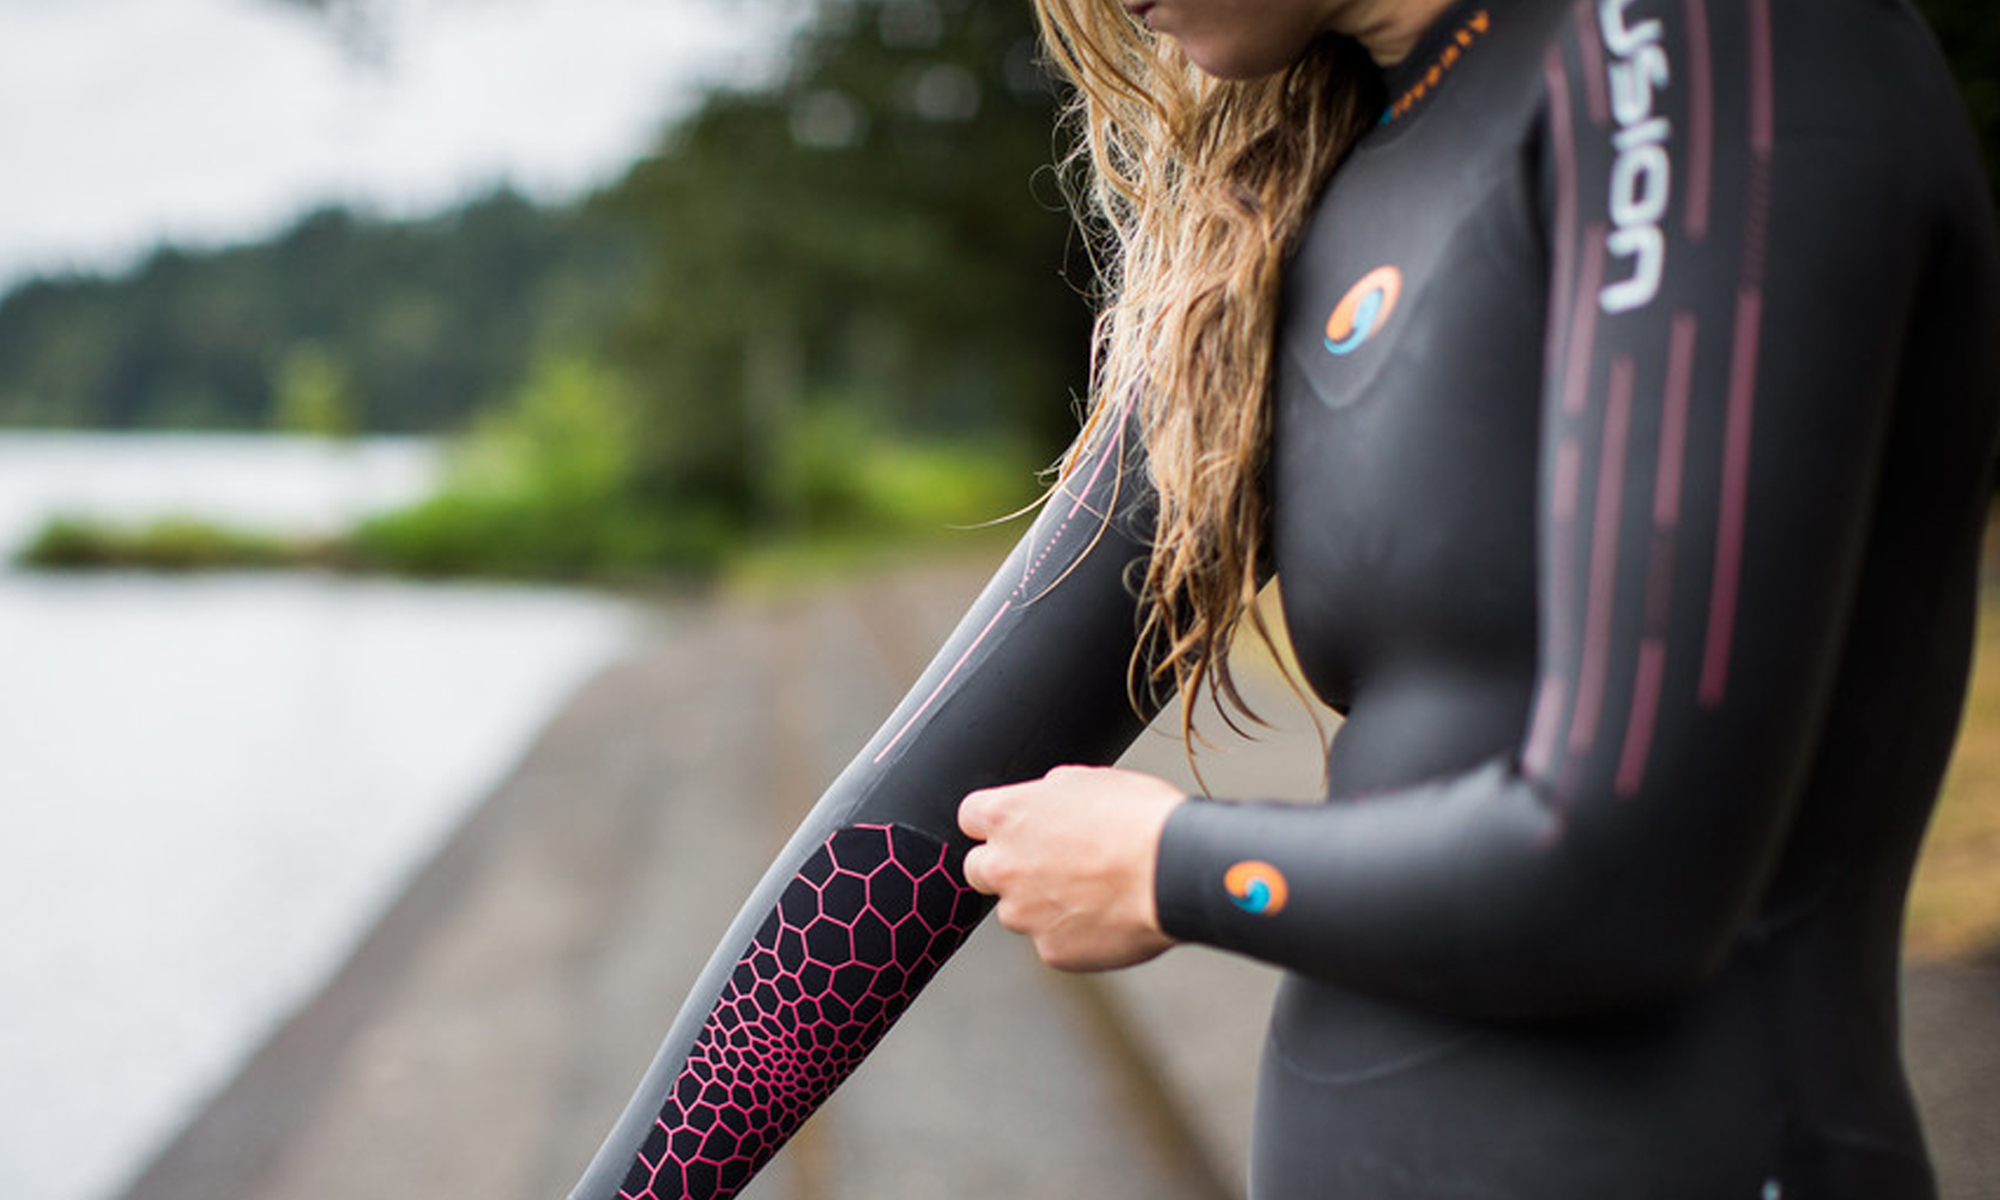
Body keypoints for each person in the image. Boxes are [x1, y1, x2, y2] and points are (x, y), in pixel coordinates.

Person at [571, 0, 2000, 1196]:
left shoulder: (1712, 49)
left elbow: (1629, 880)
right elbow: (905, 824)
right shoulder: (1294, 201)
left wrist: (1174, 863)